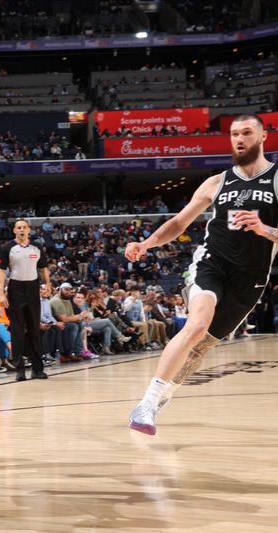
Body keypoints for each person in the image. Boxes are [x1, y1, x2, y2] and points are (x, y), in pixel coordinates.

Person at [128, 115, 278, 435]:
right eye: (234, 134)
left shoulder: (276, 179)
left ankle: (163, 395)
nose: (239, 139)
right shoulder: (217, 182)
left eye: (247, 133)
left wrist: (265, 229)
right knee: (196, 325)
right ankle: (147, 402)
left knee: (201, 347)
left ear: (263, 136)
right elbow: (180, 223)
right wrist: (147, 244)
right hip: (212, 263)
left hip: (250, 279)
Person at [0, 219, 50, 381]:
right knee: (18, 329)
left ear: (29, 230)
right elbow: (1, 272)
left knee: (34, 328)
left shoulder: (37, 247)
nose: (21, 230)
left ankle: (37, 369)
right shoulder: (7, 248)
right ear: (14, 231)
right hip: (16, 289)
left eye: (24, 227)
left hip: (33, 288)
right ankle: (19, 369)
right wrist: (1, 293)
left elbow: (43, 268)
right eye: (18, 227)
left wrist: (47, 283)